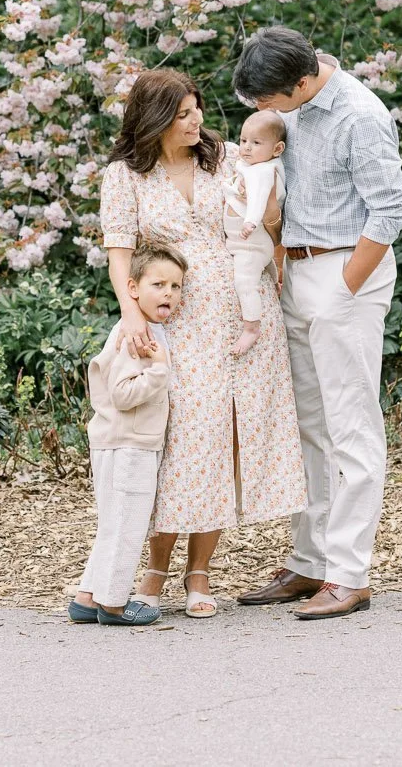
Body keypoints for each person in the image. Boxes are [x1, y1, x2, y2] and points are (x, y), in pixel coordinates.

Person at [98, 67, 308, 618]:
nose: (197, 122)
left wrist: (274, 235)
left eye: (197, 110)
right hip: (177, 316)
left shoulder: (224, 158)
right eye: (184, 113)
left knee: (225, 436)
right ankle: (154, 568)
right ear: (157, 119)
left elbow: (269, 213)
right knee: (183, 440)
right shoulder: (125, 175)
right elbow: (120, 251)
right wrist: (130, 311)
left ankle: (200, 572)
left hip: (242, 316)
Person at [231, 27, 402, 621]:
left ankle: (350, 575)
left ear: (301, 83)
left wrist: (345, 286)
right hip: (297, 272)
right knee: (308, 426)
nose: (259, 112)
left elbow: (389, 210)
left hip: (343, 276)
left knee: (352, 426)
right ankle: (310, 562)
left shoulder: (361, 115)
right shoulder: (297, 101)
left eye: (266, 101)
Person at [68, 243, 181, 627]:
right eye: (159, 284)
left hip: (121, 441)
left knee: (113, 523)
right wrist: (160, 372)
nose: (168, 293)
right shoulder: (133, 334)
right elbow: (123, 393)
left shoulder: (150, 330)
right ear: (132, 288)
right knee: (128, 526)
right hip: (128, 444)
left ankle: (87, 597)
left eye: (176, 286)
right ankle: (114, 604)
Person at [224, 110, 286, 357]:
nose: (247, 148)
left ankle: (251, 327)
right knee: (253, 268)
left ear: (277, 148)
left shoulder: (263, 171)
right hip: (244, 244)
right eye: (243, 141)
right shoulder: (252, 166)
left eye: (256, 143)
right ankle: (271, 272)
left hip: (250, 242)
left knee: (244, 282)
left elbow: (260, 199)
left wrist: (250, 221)